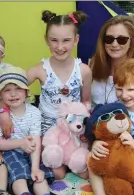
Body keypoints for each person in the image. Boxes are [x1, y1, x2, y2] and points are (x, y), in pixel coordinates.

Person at [25, 10, 92, 179]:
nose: (60, 47)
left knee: (83, 169)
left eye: (66, 40)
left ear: (76, 40)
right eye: (54, 40)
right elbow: (10, 88)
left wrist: (84, 127)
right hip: (48, 131)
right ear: (46, 40)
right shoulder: (39, 70)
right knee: (58, 172)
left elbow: (86, 101)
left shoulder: (83, 71)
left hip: (73, 128)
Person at [88, 58, 134, 195]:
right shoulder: (113, 109)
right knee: (91, 160)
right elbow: (101, 131)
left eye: (130, 89)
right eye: (119, 89)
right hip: (118, 162)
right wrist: (96, 145)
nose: (124, 95)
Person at [0, 65, 59, 195]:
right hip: (11, 152)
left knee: (39, 176)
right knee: (19, 176)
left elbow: (35, 140)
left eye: (18, 89)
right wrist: (20, 143)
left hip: (31, 152)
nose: (13, 94)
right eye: (7, 90)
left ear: (27, 92)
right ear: (0, 95)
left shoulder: (34, 112)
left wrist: (35, 167)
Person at [90, 15, 134, 110]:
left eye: (122, 40)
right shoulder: (95, 63)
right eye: (109, 39)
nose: (114, 44)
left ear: (132, 41)